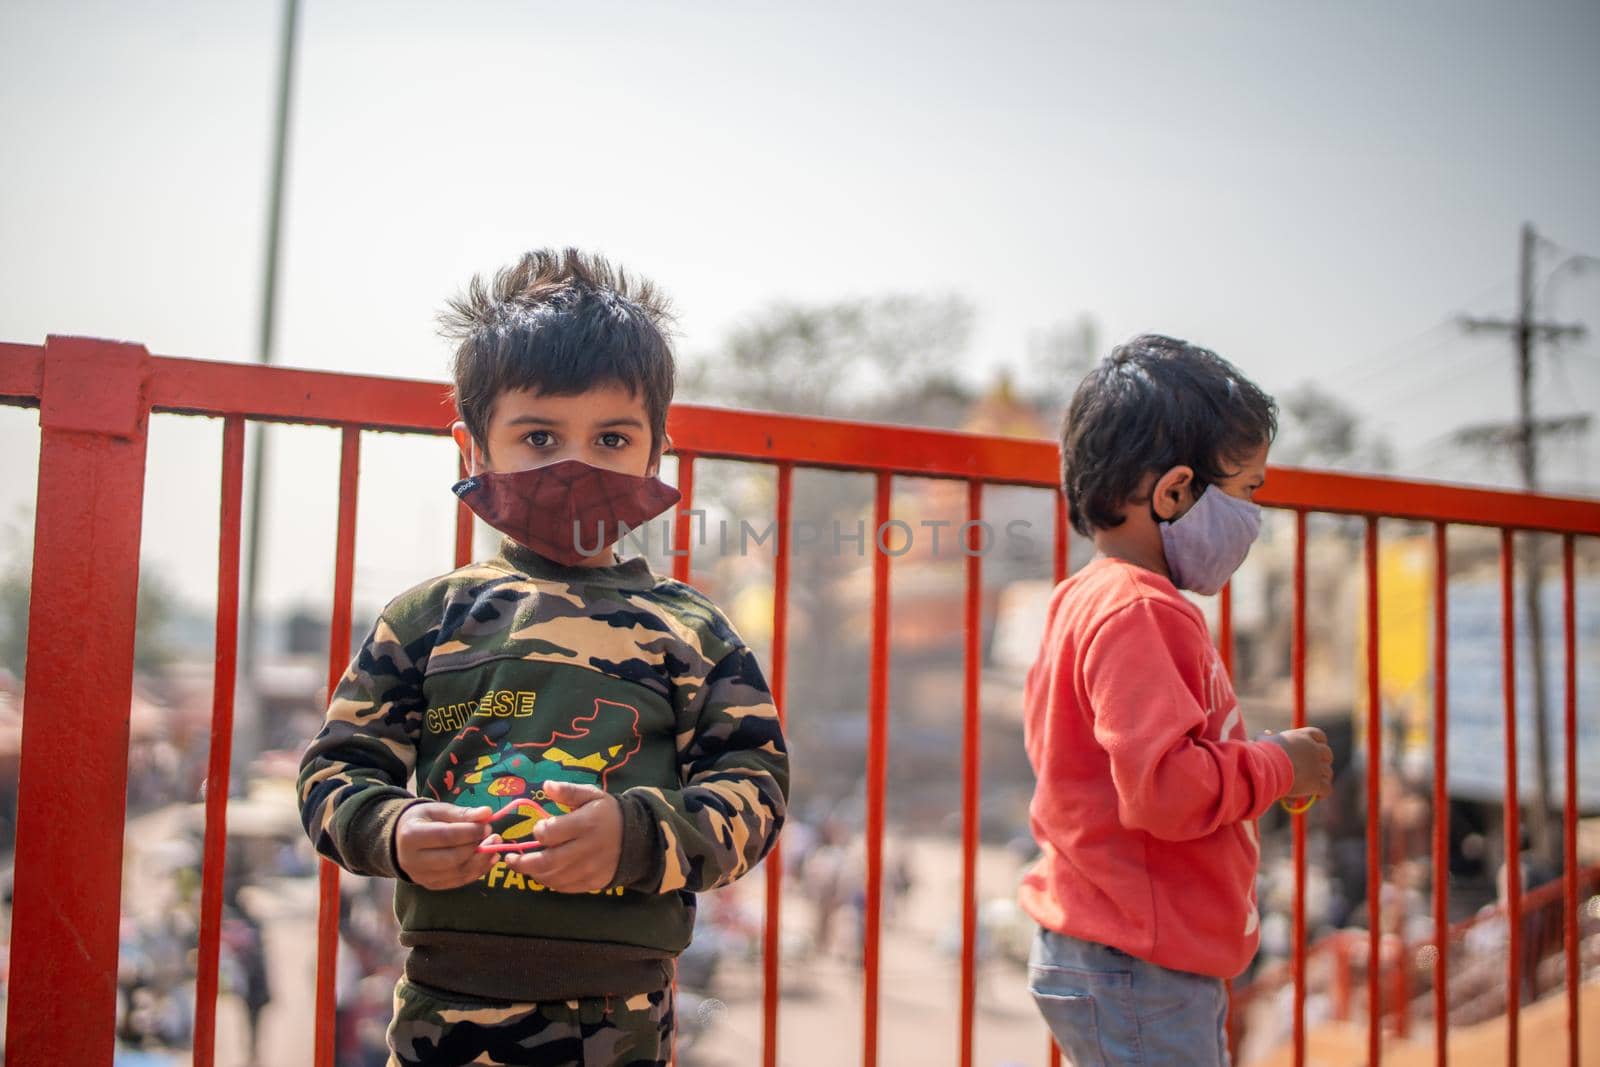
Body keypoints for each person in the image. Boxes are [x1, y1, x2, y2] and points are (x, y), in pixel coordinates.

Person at [297, 249, 790, 1067]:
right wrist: (394, 826)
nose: (576, 465)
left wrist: (638, 837)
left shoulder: (693, 631)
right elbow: (334, 774)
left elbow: (756, 792)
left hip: (622, 1018)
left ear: (655, 454)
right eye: (538, 436)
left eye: (611, 437)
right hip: (441, 1009)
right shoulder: (428, 618)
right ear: (473, 448)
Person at [1019, 334, 1333, 1065]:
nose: (1254, 517)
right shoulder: (1141, 610)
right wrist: (1278, 766)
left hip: (1119, 953)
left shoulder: (1087, 597)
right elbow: (1162, 788)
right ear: (1174, 492)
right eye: (1249, 491)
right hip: (1140, 965)